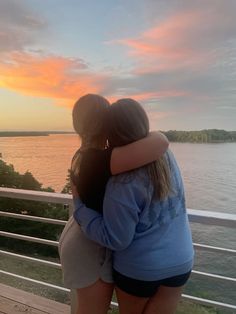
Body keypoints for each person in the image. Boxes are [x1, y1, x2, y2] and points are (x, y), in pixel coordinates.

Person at [73, 98, 194, 314]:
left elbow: (117, 239)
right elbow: (160, 140)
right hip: (181, 261)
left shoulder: (120, 184)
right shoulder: (167, 157)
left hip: (140, 270)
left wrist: (81, 211)